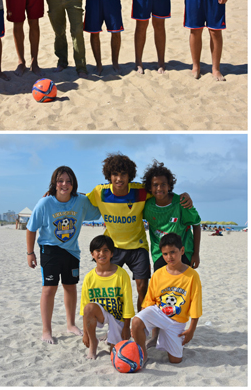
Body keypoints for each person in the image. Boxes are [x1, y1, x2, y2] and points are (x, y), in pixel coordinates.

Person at [87, 153, 192, 311]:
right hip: (113, 247)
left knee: (142, 287)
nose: (119, 179)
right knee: (113, 288)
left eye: (123, 174)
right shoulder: (100, 192)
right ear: (109, 175)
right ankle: (118, 325)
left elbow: (162, 192)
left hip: (138, 246)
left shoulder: (140, 192)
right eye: (115, 174)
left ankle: (140, 323)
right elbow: (80, 200)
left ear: (130, 175)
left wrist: (185, 196)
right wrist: (56, 194)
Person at [26, 166, 101, 344]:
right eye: (60, 181)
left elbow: (98, 210)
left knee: (70, 287)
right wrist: (30, 253)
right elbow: (31, 228)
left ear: (74, 184)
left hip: (72, 251)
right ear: (54, 183)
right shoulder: (45, 203)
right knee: (49, 289)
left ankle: (70, 324)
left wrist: (79, 192)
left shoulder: (80, 201)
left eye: (69, 181)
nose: (64, 184)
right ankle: (46, 330)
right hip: (50, 249)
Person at [131, 233, 202, 364]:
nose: (169, 257)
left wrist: (192, 329)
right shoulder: (158, 274)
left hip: (177, 321)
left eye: (173, 252)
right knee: (135, 322)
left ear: (182, 250)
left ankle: (167, 337)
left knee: (175, 360)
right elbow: (149, 300)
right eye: (165, 254)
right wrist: (139, 321)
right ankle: (142, 354)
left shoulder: (192, 276)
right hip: (159, 313)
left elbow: (196, 303)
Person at [81, 235, 134, 359]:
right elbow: (84, 307)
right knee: (89, 307)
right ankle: (94, 343)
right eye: (98, 251)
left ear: (111, 254)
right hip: (100, 313)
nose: (101, 254)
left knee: (115, 354)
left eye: (105, 250)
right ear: (92, 254)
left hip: (117, 315)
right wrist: (85, 333)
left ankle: (113, 339)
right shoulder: (89, 277)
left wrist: (127, 327)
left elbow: (127, 302)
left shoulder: (121, 274)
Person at [142, 160, 201, 272]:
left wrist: (196, 254)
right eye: (155, 185)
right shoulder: (147, 206)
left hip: (183, 252)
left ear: (169, 186)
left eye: (163, 184)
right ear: (149, 188)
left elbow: (196, 224)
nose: (159, 188)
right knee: (162, 286)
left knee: (183, 285)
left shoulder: (182, 203)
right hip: (160, 254)